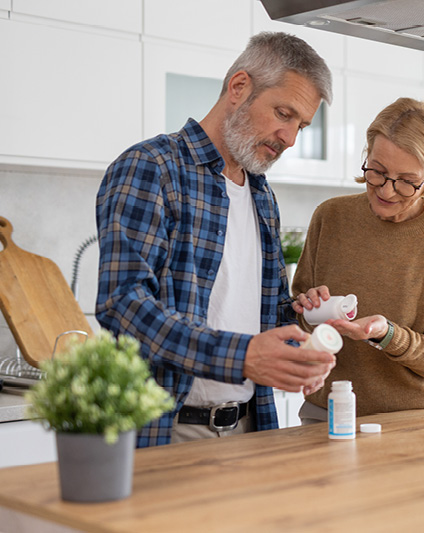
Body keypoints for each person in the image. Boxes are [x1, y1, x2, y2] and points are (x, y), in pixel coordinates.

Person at [95, 32, 336, 447]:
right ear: (239, 88)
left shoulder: (261, 195)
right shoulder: (152, 167)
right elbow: (123, 303)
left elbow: (261, 313)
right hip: (167, 429)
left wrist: (306, 325)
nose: (290, 138)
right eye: (284, 113)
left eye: (301, 124)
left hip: (251, 426)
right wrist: (242, 356)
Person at [291, 97, 424, 422]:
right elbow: (297, 319)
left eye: (407, 181)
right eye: (377, 171)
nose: (387, 191)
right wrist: (308, 309)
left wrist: (386, 334)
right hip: (327, 412)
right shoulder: (331, 216)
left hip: (417, 420)